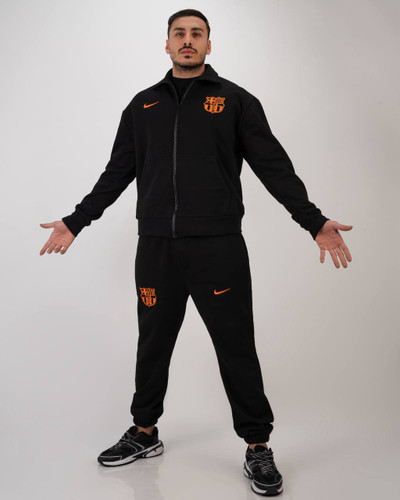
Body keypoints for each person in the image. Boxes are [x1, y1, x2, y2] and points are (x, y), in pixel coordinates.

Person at [39, 8, 353, 496]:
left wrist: (312, 221)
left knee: (235, 346)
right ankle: (144, 432)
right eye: (179, 34)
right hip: (156, 248)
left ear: (209, 45)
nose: (188, 41)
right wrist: (77, 221)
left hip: (218, 248)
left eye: (197, 34)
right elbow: (117, 172)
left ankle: (257, 446)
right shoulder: (142, 106)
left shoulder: (236, 102)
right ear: (166, 44)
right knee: (153, 343)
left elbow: (274, 166)